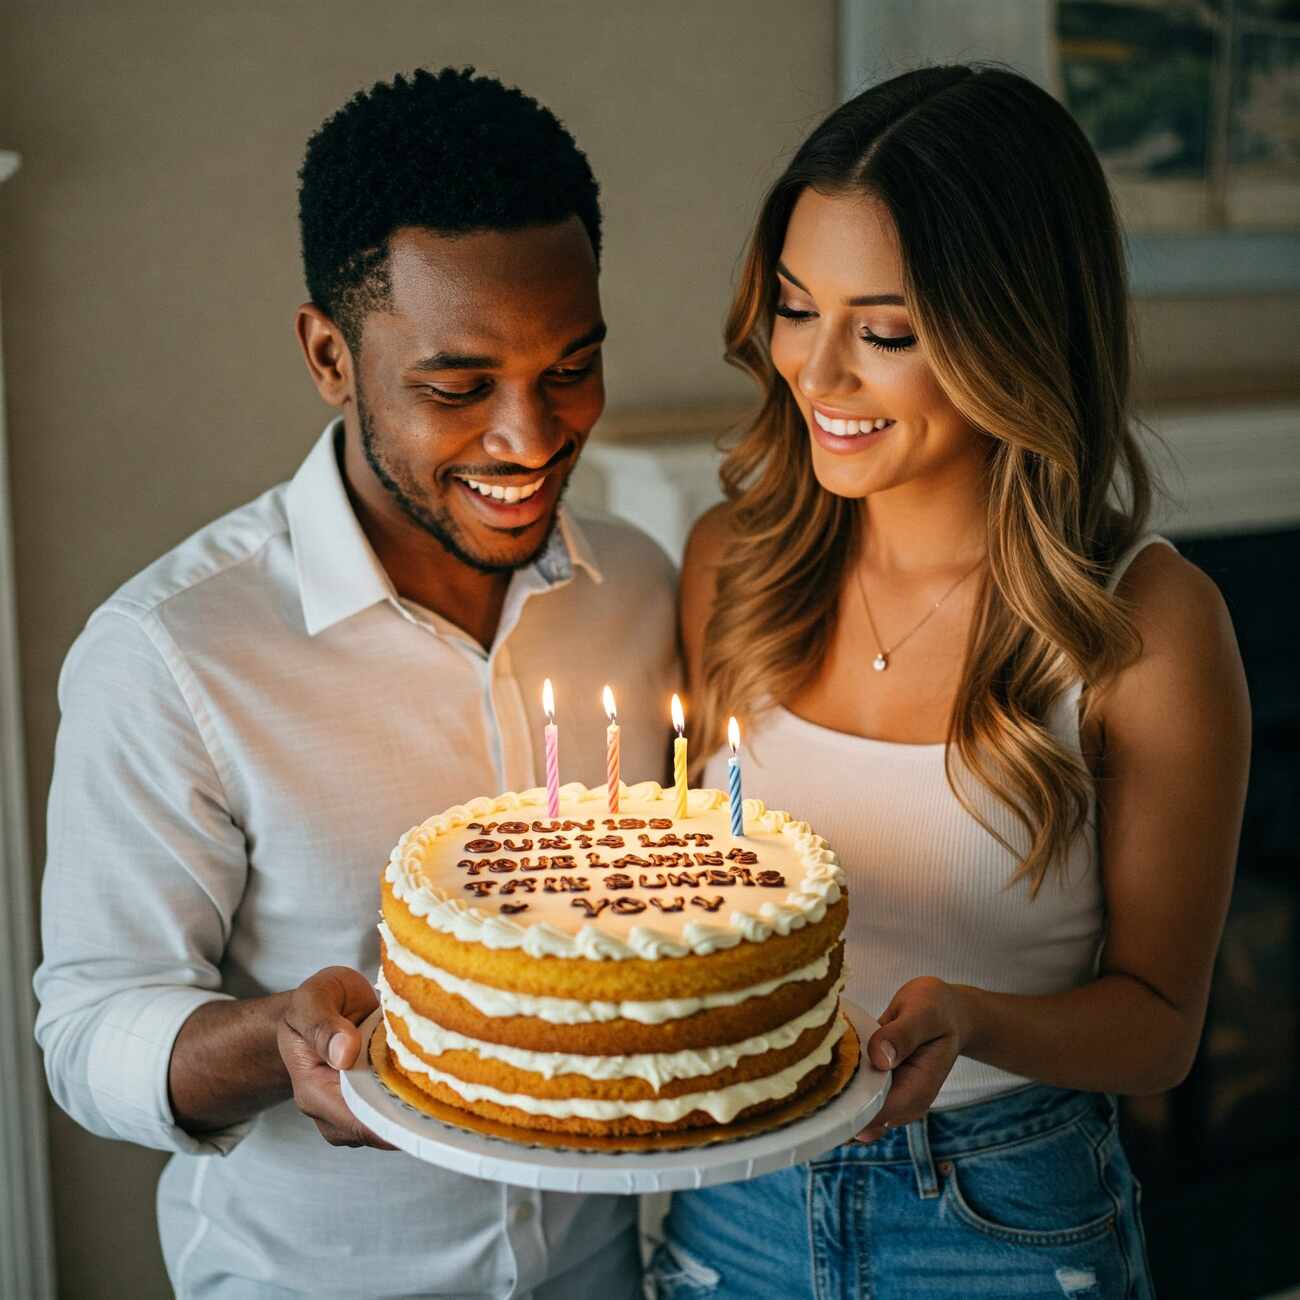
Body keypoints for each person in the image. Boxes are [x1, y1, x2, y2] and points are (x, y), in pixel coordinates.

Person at [34, 67, 677, 1299]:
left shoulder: (638, 588)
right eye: (456, 387)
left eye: (570, 368)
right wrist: (270, 1040)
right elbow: (87, 1026)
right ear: (329, 354)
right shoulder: (172, 651)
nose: (529, 437)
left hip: (611, 1267)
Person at [655, 65, 1249, 1300]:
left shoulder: (1147, 628)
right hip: (732, 1206)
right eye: (792, 307)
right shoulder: (732, 565)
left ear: (1014, 334)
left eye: (883, 332)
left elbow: (1159, 1029)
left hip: (999, 1216)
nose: (816, 376)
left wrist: (976, 1019)